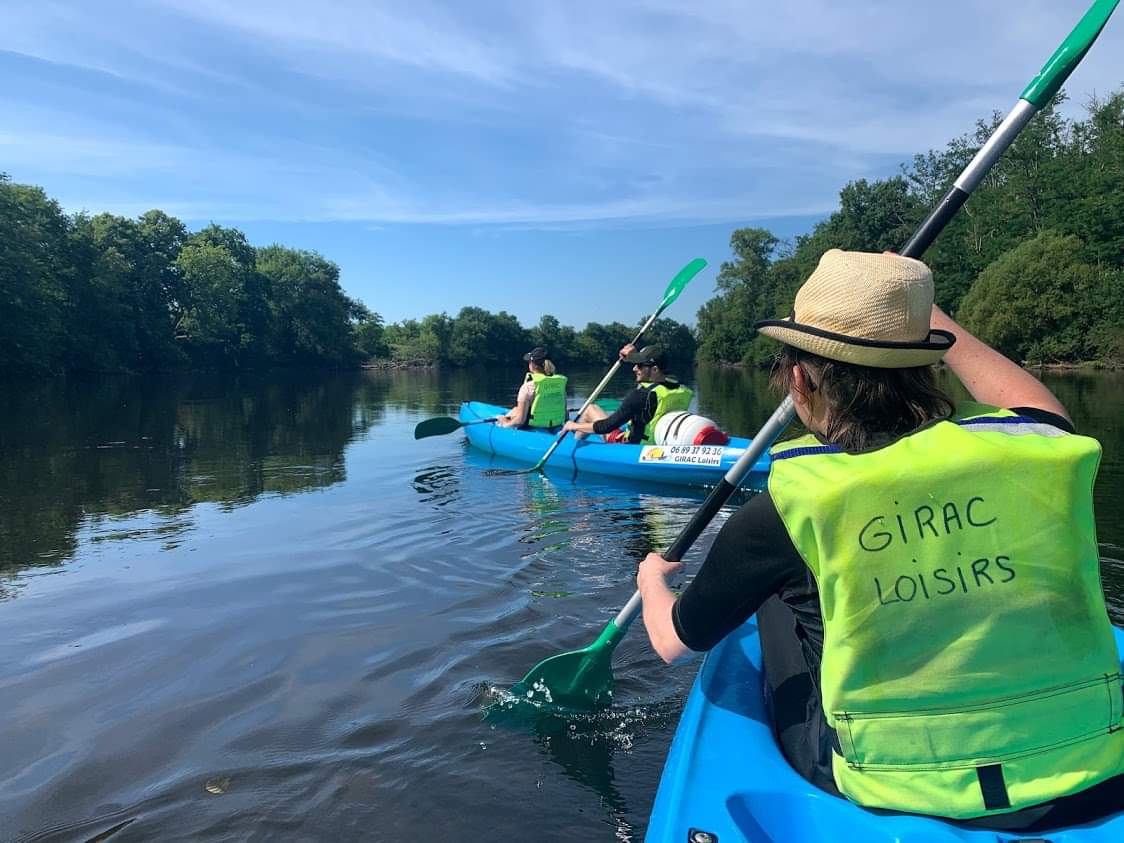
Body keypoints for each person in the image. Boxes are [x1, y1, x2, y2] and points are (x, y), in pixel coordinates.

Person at [636, 249, 1124, 830]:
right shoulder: (1042, 447)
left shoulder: (790, 506)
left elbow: (674, 641)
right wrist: (919, 312)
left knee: (779, 587)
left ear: (799, 379)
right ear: (927, 362)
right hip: (1093, 771)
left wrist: (652, 580)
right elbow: (1039, 406)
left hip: (894, 785)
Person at [562, 344, 691, 444]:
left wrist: (574, 425)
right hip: (660, 442)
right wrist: (632, 356)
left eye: (640, 365)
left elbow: (606, 427)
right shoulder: (681, 387)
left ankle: (572, 446)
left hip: (632, 446)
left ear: (655, 369)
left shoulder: (640, 396)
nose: (634, 368)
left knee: (589, 409)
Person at [496, 346, 568, 429]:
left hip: (533, 427)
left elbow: (520, 421)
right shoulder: (560, 385)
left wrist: (504, 422)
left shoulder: (528, 387)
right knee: (516, 409)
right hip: (555, 424)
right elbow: (565, 413)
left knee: (508, 417)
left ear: (533, 365)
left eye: (529, 362)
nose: (528, 364)